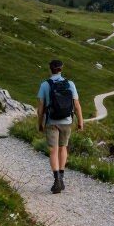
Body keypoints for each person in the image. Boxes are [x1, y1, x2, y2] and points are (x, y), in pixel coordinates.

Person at [36, 59, 83, 194]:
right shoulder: (70, 84)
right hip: (67, 121)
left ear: (50, 69)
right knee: (63, 148)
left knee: (53, 151)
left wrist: (40, 124)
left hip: (52, 122)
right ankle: (61, 178)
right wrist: (80, 122)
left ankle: (56, 180)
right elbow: (77, 105)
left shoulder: (45, 85)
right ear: (61, 69)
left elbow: (41, 109)